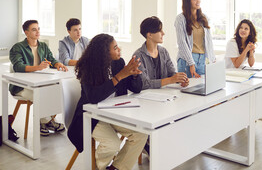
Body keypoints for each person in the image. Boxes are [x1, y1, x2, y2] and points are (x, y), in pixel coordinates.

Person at [67, 33, 147, 170]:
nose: (119, 50)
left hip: (114, 113)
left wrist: (133, 75)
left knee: (141, 134)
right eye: (115, 48)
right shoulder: (89, 67)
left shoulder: (119, 62)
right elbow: (93, 97)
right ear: (105, 52)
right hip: (91, 117)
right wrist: (120, 76)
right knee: (112, 144)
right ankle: (101, 167)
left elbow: (136, 89)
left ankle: (116, 168)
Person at [9, 20, 68, 136]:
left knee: (57, 90)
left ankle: (46, 121)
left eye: (38, 29)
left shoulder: (43, 46)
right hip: (21, 86)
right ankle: (48, 121)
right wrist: (37, 67)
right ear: (26, 33)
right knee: (42, 94)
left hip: (39, 82)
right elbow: (18, 66)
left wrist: (58, 64)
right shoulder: (17, 47)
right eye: (34, 29)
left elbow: (51, 59)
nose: (38, 32)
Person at [133, 16, 189, 89]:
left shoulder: (164, 52)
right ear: (149, 35)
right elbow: (144, 84)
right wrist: (171, 80)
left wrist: (180, 79)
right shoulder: (138, 56)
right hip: (146, 97)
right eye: (159, 30)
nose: (163, 33)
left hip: (164, 95)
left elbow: (171, 74)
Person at [174, 0, 215, 78]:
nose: (198, 1)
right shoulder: (180, 19)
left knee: (203, 88)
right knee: (187, 89)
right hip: (187, 59)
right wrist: (191, 63)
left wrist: (212, 59)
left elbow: (209, 41)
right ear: (187, 1)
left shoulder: (204, 18)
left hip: (202, 59)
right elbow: (182, 43)